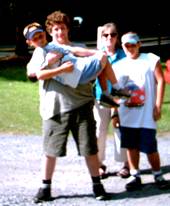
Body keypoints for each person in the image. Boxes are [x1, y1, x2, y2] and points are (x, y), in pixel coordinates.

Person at [27, 10, 112, 203]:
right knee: (50, 150)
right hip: (54, 108)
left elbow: (96, 68)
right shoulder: (42, 51)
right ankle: (45, 187)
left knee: (90, 148)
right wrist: (54, 67)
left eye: (63, 28)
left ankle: (97, 185)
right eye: (56, 29)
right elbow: (32, 75)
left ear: (67, 29)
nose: (60, 33)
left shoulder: (79, 48)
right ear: (50, 31)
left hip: (82, 104)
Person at [24, 22, 130, 108]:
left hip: (80, 68)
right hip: (78, 74)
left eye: (40, 35)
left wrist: (95, 52)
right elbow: (35, 74)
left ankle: (106, 95)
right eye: (35, 39)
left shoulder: (52, 45)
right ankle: (114, 89)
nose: (39, 39)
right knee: (103, 58)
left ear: (44, 33)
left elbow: (74, 50)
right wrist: (56, 67)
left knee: (102, 59)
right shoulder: (39, 52)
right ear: (29, 42)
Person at [113, 31, 169, 191]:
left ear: (139, 44)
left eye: (133, 44)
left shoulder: (150, 59)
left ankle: (158, 174)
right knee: (131, 146)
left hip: (146, 114)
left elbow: (160, 80)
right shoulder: (118, 66)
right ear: (122, 46)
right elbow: (116, 92)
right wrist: (115, 113)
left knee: (150, 146)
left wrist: (158, 105)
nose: (130, 47)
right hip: (127, 113)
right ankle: (134, 175)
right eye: (126, 45)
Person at [93, 22, 130, 178]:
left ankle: (125, 165)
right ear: (101, 37)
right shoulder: (97, 54)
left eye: (113, 35)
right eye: (106, 35)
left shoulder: (123, 55)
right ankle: (99, 164)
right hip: (100, 98)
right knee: (99, 131)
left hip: (120, 99)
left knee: (120, 130)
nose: (109, 38)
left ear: (117, 37)